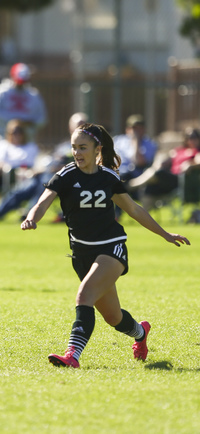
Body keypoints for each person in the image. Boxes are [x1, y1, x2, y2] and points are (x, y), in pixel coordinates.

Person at [21, 123, 190, 368]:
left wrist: (164, 233)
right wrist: (31, 218)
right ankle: (140, 333)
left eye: (83, 147)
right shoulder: (66, 175)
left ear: (97, 149)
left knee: (84, 295)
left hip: (111, 247)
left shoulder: (108, 178)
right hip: (82, 253)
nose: (77, 153)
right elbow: (43, 202)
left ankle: (72, 355)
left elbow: (133, 209)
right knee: (113, 317)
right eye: (74, 147)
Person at [0, 112, 86, 222]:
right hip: (47, 173)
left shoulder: (88, 146)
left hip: (67, 177)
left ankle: (31, 213)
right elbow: (50, 163)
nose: (78, 129)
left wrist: (61, 168)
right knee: (21, 190)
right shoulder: (63, 146)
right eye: (76, 126)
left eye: (81, 125)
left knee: (46, 183)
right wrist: (38, 170)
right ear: (70, 128)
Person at [128, 126, 200, 212]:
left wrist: (190, 164)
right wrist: (159, 163)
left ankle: (131, 186)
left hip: (180, 181)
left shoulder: (197, 152)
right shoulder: (178, 151)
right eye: (188, 137)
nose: (191, 140)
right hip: (168, 179)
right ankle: (142, 213)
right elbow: (165, 159)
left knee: (158, 173)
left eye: (193, 137)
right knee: (151, 186)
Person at [0, 63, 47, 142]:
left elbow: (42, 119)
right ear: (12, 77)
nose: (21, 85)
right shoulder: (1, 92)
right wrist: (14, 121)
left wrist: (28, 122)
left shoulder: (33, 95)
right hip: (3, 139)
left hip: (27, 141)